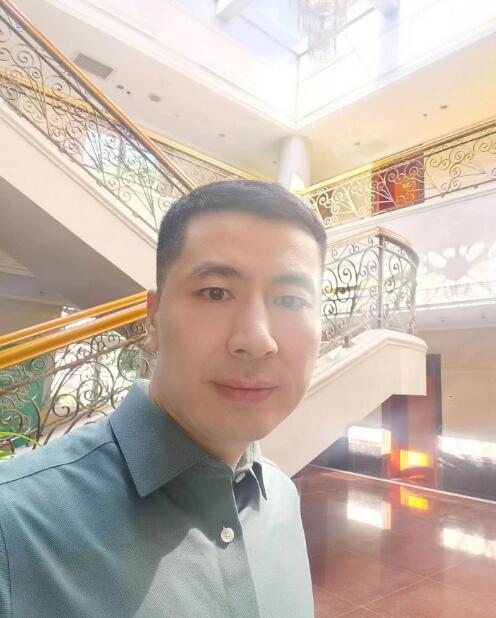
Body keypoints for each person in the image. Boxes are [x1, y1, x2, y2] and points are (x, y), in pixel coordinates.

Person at [0, 179, 326, 617]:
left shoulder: (282, 500)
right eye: (216, 292)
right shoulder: (14, 527)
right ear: (153, 319)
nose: (256, 340)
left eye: (291, 299)